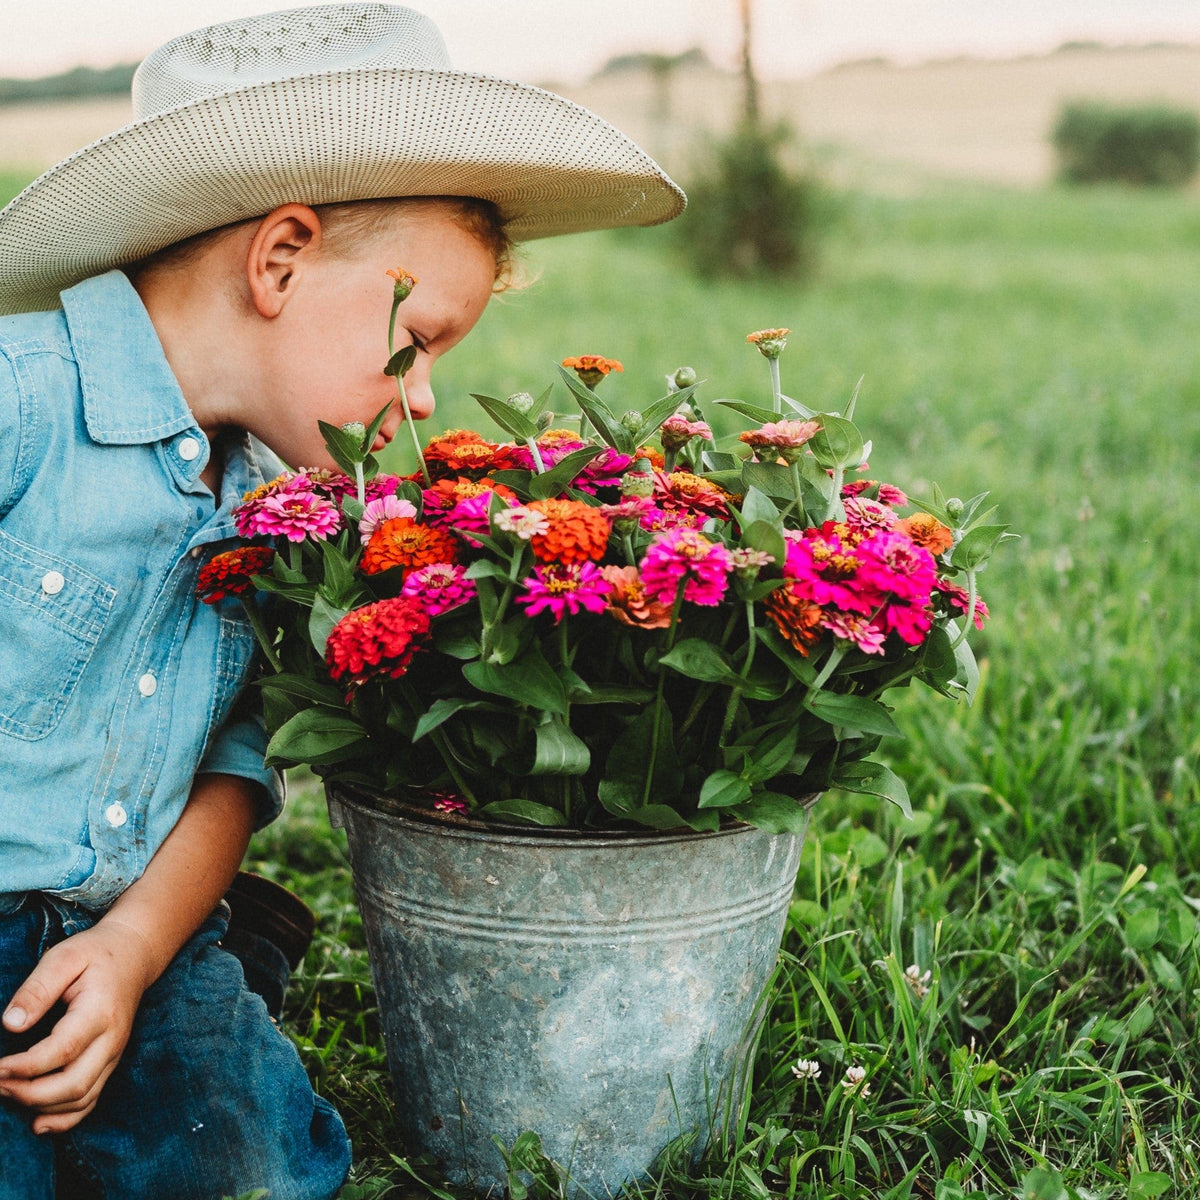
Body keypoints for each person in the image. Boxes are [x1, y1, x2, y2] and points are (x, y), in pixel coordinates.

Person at [0, 5, 685, 1197]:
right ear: (280, 260)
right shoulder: (21, 407)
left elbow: (236, 765)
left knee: (256, 1168)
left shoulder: (286, 515)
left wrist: (133, 948)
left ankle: (220, 967)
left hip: (136, 936)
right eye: (417, 342)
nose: (424, 402)